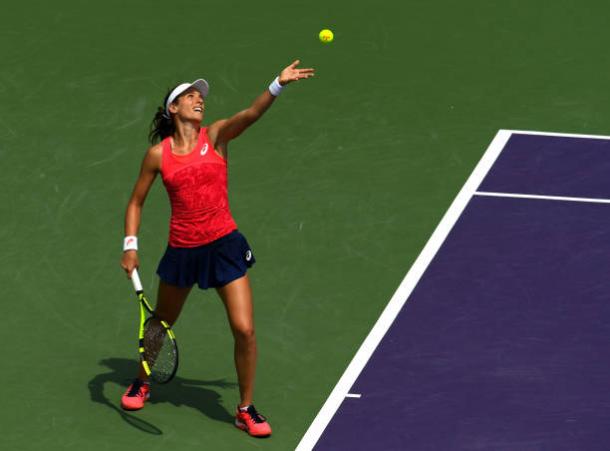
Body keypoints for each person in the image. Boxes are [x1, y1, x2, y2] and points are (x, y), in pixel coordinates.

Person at [119, 60, 315, 437]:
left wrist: (278, 83)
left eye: (200, 96)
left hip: (224, 245)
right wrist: (131, 246)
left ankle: (245, 408)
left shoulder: (218, 135)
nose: (199, 100)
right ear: (173, 108)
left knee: (244, 330)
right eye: (190, 96)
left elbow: (252, 113)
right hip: (183, 250)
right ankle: (142, 381)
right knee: (161, 321)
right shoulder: (159, 155)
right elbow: (135, 202)